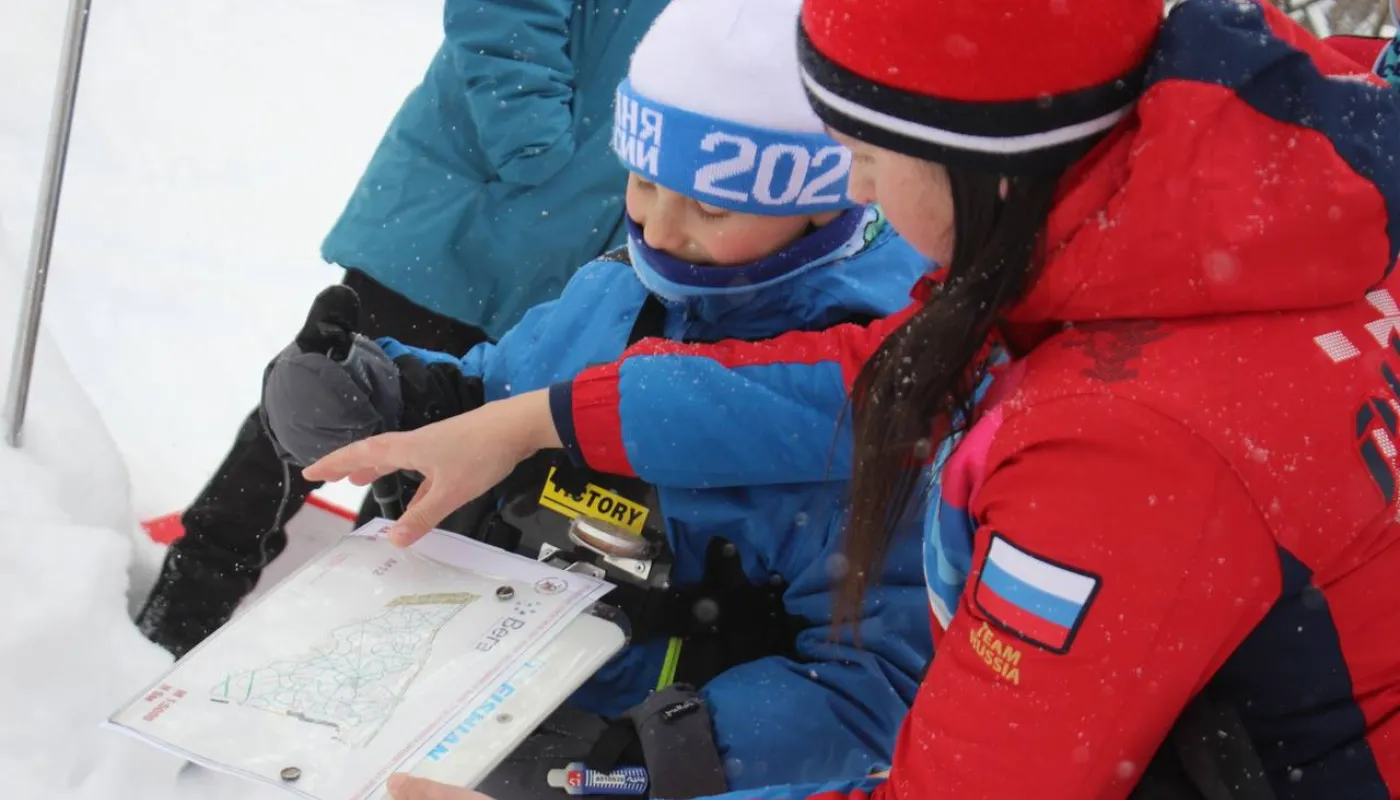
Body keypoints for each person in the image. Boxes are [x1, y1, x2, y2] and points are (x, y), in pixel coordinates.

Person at [307, 0, 1400, 797]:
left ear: (980, 159)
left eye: (867, 153)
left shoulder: (1119, 448)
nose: (857, 193)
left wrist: (630, 773)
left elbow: (950, 776)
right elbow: (876, 377)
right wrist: (510, 411)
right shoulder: (1176, 247)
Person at [262, 0, 932, 794]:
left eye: (712, 206)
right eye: (644, 182)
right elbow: (491, 390)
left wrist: (640, 758)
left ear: (823, 200)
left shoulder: (874, 390)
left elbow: (865, 684)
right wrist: (373, 394)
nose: (660, 230)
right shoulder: (618, 290)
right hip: (468, 721)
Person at [134, 0, 668, 659]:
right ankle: (174, 625)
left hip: (563, 270)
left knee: (432, 477)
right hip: (462, 217)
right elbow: (503, 11)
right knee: (319, 406)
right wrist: (531, 142)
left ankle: (337, 668)